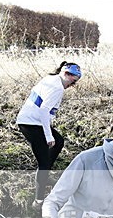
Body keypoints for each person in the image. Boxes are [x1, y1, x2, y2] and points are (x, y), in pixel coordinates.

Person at [16, 61, 82, 207]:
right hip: (31, 123)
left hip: (31, 120)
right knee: (44, 161)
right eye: (73, 81)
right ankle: (38, 201)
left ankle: (44, 176)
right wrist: (48, 135)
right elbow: (44, 111)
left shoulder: (50, 78)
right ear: (66, 74)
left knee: (59, 142)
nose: (72, 85)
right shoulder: (57, 87)